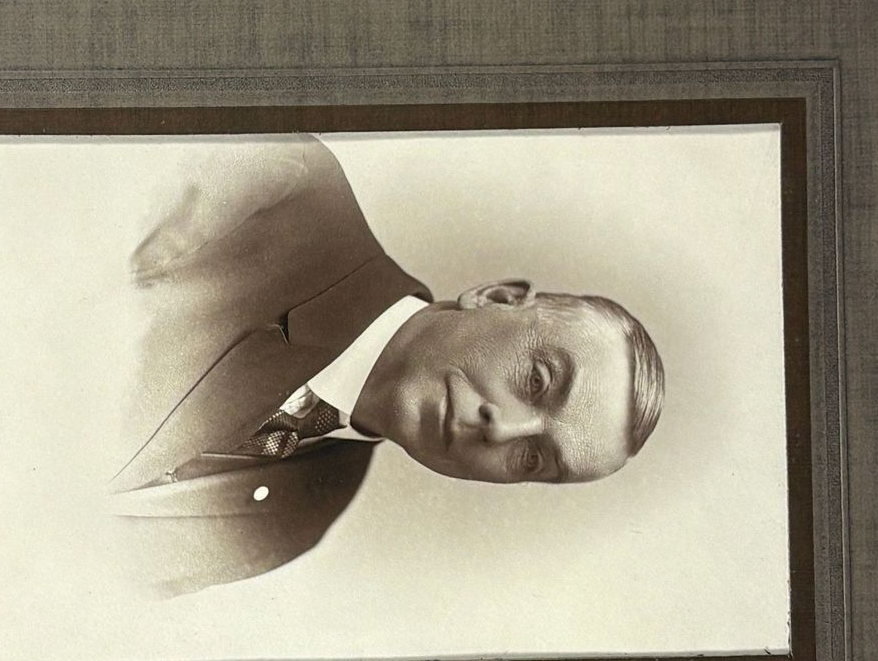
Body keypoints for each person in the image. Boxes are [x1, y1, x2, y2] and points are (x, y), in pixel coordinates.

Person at [109, 134, 665, 595]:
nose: (502, 429)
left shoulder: (299, 518)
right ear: (496, 297)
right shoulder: (283, 184)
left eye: (533, 458)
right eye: (537, 381)